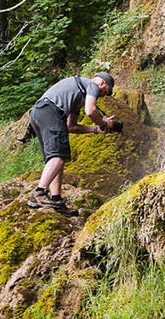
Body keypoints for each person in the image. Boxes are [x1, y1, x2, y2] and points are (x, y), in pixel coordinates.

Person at [25, 72, 122, 214]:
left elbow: (71, 126)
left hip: (38, 113)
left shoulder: (77, 95)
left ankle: (56, 200)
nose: (101, 97)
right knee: (59, 156)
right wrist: (103, 123)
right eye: (105, 92)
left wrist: (96, 129)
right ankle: (38, 194)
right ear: (102, 83)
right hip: (50, 111)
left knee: (55, 158)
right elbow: (90, 111)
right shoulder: (92, 85)